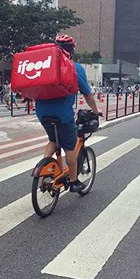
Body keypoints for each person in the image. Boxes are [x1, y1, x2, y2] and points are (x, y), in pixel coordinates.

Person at [36, 35, 101, 193]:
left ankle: (43, 172)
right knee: (70, 147)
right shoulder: (75, 67)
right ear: (72, 50)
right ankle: (74, 182)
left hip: (42, 112)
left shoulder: (45, 65)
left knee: (53, 140)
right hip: (63, 115)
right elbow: (87, 94)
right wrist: (95, 110)